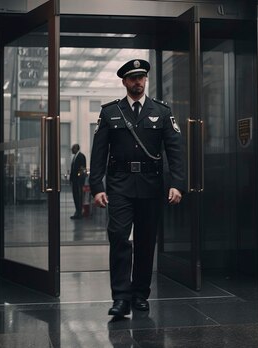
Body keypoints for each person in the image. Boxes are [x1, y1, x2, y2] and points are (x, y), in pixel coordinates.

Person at [89, 59, 185, 317]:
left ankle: (140, 295)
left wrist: (177, 183)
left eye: (142, 77)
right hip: (119, 185)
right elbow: (98, 153)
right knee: (119, 238)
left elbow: (175, 150)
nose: (138, 82)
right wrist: (97, 186)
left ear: (146, 80)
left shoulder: (162, 112)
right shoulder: (110, 112)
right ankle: (120, 298)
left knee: (145, 242)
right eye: (133, 78)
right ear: (124, 82)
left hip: (151, 187)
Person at [69, 144, 87, 219]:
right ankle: (77, 211)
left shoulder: (81, 156)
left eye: (73, 148)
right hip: (75, 181)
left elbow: (82, 169)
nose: (71, 149)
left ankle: (79, 213)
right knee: (75, 196)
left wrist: (80, 179)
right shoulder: (75, 157)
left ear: (76, 148)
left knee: (79, 196)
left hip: (78, 181)